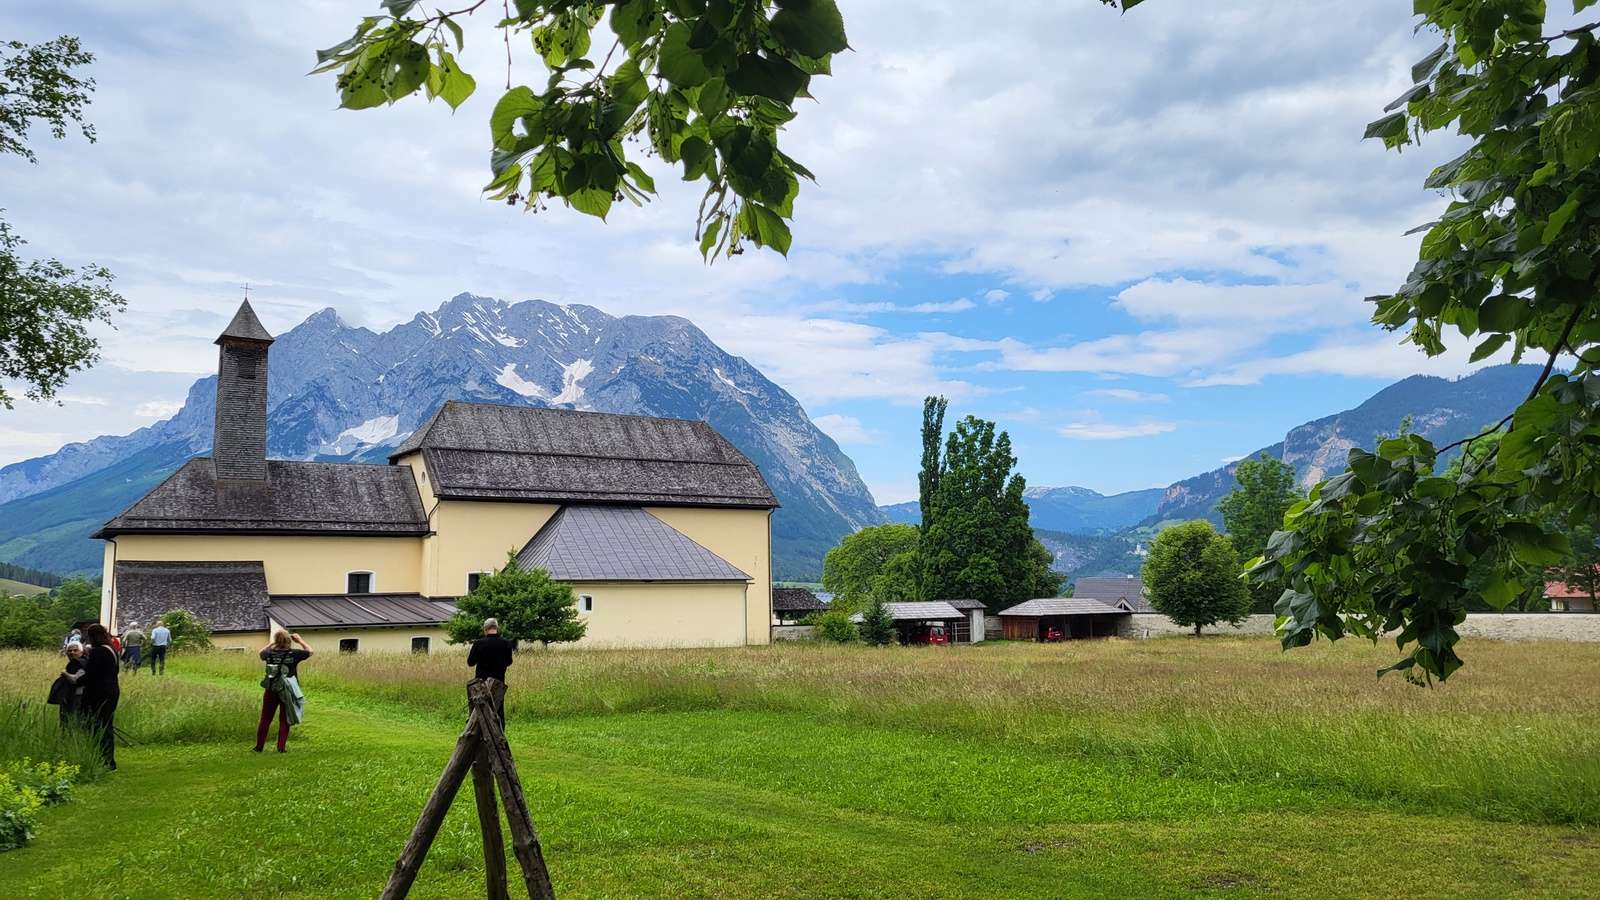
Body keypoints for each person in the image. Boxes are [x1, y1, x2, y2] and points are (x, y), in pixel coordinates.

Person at [255, 630, 312, 753]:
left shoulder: (269, 653)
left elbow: (261, 652)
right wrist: (300, 640)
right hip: (288, 690)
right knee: (284, 719)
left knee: (265, 719)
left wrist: (272, 643)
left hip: (271, 689)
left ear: (276, 640)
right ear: (289, 641)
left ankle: (259, 746)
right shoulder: (294, 654)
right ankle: (281, 747)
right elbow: (310, 651)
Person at [79, 624, 120, 770]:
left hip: (99, 692)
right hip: (112, 690)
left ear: (93, 637)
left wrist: (75, 681)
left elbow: (89, 674)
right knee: (106, 725)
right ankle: (108, 760)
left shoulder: (98, 652)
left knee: (99, 726)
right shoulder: (111, 649)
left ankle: (105, 760)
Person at [467, 617, 514, 729]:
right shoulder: (506, 643)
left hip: (481, 683)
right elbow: (509, 662)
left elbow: (470, 662)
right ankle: (500, 733)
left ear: (485, 628)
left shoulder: (479, 643)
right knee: (498, 709)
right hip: (499, 683)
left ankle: (479, 734)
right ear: (497, 628)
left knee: (479, 709)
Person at [50, 642, 88, 729]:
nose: (72, 653)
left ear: (81, 652)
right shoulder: (74, 663)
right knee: (66, 724)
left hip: (78, 697)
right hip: (68, 697)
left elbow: (76, 680)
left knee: (76, 723)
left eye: (75, 650)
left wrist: (65, 673)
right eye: (69, 651)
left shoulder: (82, 663)